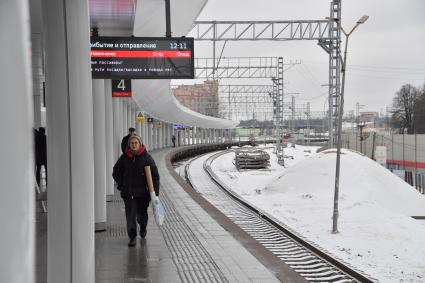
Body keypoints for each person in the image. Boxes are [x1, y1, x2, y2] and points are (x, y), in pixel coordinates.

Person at [113, 135, 160, 247]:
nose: (134, 145)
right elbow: (116, 172)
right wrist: (121, 185)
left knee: (142, 216)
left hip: (142, 194)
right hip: (128, 194)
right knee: (130, 216)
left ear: (140, 144)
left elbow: (155, 176)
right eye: (132, 143)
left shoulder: (147, 158)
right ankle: (132, 237)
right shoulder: (124, 158)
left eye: (136, 143)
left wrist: (155, 194)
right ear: (129, 145)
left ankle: (143, 227)